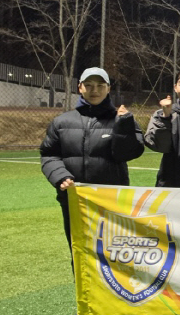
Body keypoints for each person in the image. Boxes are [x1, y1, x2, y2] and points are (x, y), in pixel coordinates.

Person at [39, 66, 145, 256]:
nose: (94, 90)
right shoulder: (61, 122)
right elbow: (49, 154)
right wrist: (60, 176)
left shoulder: (122, 119)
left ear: (108, 88)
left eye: (100, 85)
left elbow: (129, 153)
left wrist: (123, 126)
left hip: (111, 201)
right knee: (79, 253)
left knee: (112, 256)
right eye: (88, 85)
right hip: (74, 200)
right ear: (80, 87)